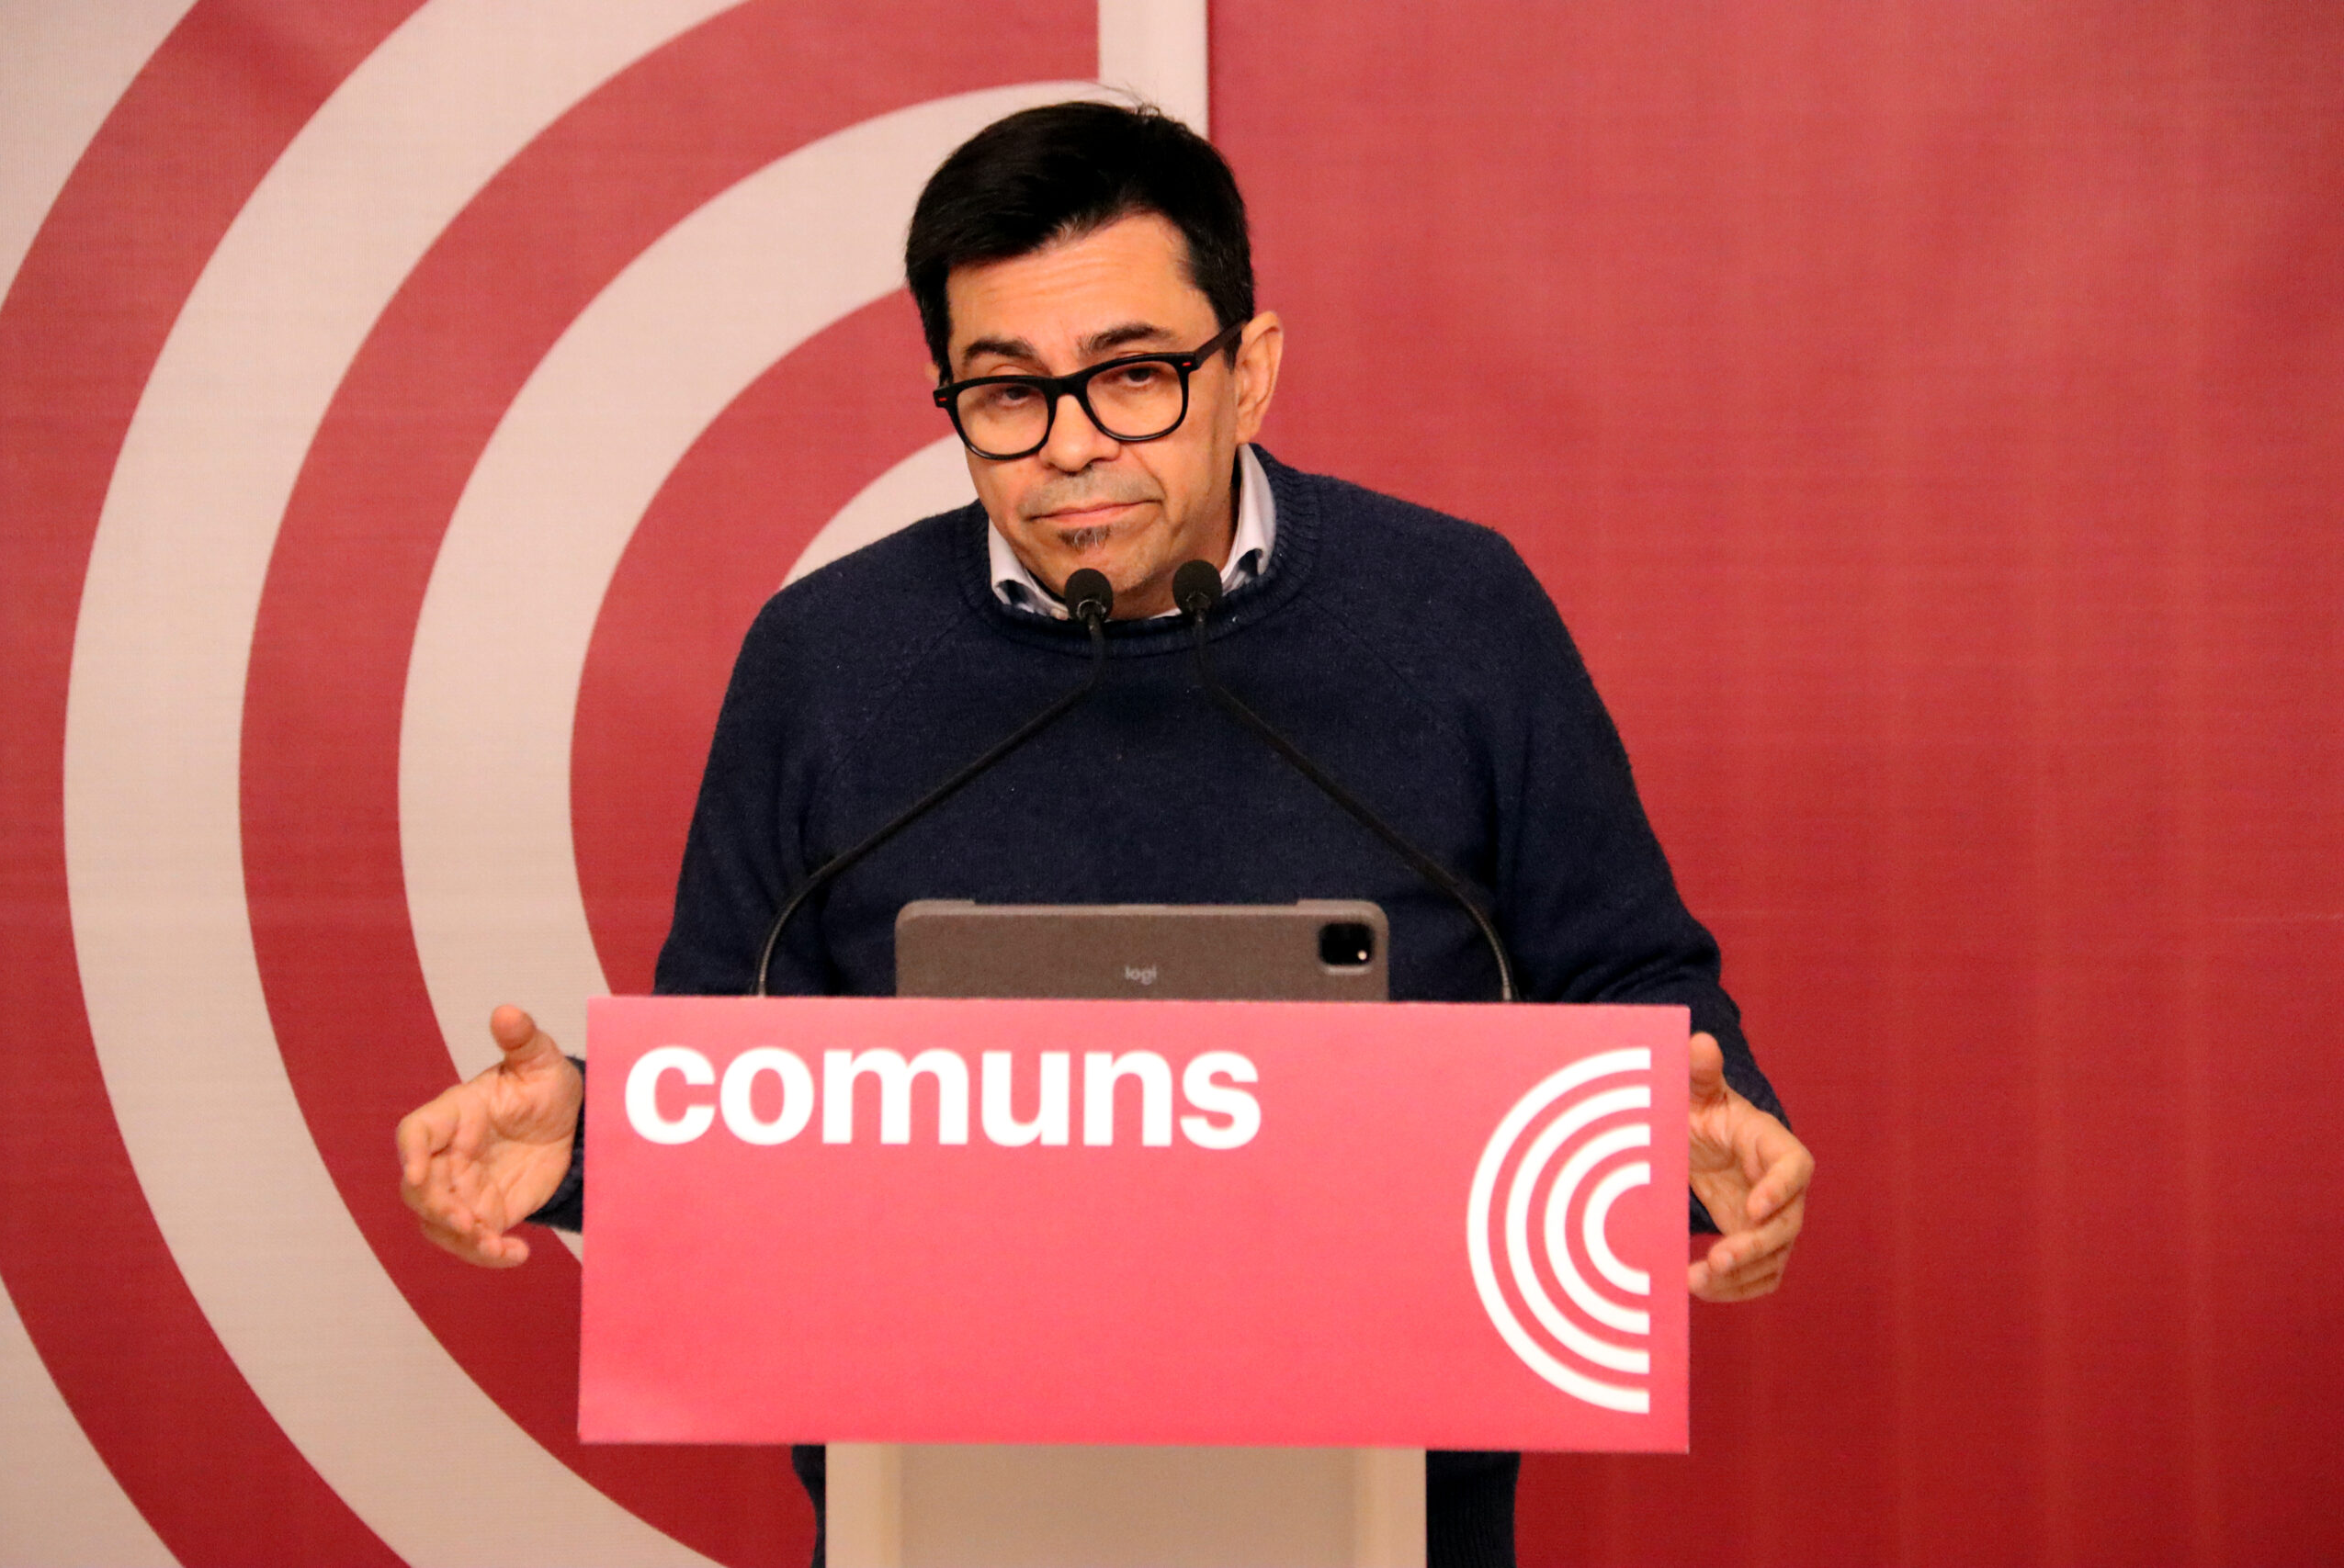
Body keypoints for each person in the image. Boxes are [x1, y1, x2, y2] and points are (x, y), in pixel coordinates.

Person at [397, 101, 1814, 1567]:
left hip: (1387, 1505)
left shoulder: (1456, 615)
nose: (1072, 448)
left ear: (1249, 373)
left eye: (1135, 376)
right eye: (1008, 393)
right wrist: (590, 1139)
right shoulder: (824, 660)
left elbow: (1632, 987)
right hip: (930, 1502)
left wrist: (1709, 1133)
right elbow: (736, 1078)